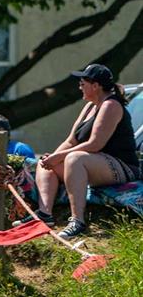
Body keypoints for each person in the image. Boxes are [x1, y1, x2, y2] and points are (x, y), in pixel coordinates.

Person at [14, 64, 139, 239]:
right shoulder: (89, 106)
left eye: (82, 83)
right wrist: (52, 158)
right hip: (93, 162)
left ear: (95, 86)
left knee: (74, 159)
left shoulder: (111, 105)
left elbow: (95, 144)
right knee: (46, 161)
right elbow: (71, 140)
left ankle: (77, 221)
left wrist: (61, 157)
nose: (79, 87)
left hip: (122, 166)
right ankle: (44, 215)